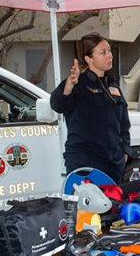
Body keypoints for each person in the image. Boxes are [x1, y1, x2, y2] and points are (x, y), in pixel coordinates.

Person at [50, 32, 131, 184]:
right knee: (87, 208)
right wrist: (69, 85)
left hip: (113, 163)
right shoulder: (77, 83)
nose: (110, 56)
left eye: (109, 50)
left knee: (112, 206)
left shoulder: (113, 87)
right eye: (103, 52)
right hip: (85, 163)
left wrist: (125, 151)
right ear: (89, 59)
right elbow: (58, 105)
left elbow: (124, 124)